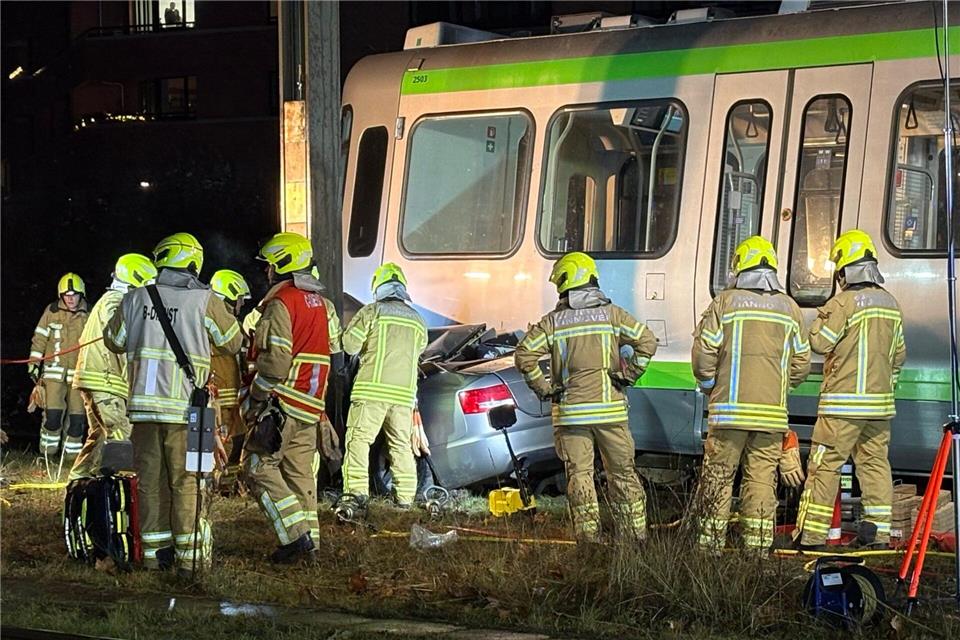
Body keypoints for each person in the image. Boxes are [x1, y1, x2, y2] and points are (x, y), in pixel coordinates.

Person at [104, 232, 242, 572]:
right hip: (188, 411)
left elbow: (113, 340)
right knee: (188, 482)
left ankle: (154, 557)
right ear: (193, 262)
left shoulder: (135, 299)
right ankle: (190, 560)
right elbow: (233, 342)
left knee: (149, 482)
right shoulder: (204, 299)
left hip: (143, 410)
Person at [515, 252, 658, 543]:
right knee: (622, 473)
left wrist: (543, 388)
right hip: (610, 413)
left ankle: (588, 538)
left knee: (579, 475)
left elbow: (524, 356)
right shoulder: (613, 315)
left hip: (571, 415)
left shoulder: (554, 322)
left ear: (566, 284)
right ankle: (634, 537)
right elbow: (647, 342)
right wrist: (630, 375)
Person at [691, 236, 810, 553]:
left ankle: (709, 549)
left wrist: (709, 385)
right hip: (771, 416)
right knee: (760, 480)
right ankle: (757, 550)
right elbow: (801, 362)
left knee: (718, 477)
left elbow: (704, 355)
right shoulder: (790, 308)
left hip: (728, 413)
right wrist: (780, 387)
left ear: (739, 267)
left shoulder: (725, 304)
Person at [795, 230, 906, 549]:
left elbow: (819, 342)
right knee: (874, 465)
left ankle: (813, 536)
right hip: (879, 408)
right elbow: (898, 355)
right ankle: (878, 534)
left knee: (825, 465)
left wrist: (818, 321)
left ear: (845, 269)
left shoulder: (843, 303)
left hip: (842, 408)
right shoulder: (891, 304)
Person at [241, 232, 342, 563]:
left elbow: (275, 363)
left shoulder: (282, 303)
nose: (267, 272)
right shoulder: (321, 304)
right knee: (300, 475)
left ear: (282, 265)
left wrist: (256, 398)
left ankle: (294, 538)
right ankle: (310, 546)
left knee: (257, 465)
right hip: (311, 407)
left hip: (282, 402)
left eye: (270, 265)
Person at [338, 263, 427, 514]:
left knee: (358, 442)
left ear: (378, 288)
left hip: (370, 392)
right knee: (400, 446)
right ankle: (405, 501)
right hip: (404, 397)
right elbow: (418, 351)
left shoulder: (372, 312)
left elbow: (350, 346)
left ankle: (356, 498)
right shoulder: (418, 321)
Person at [69, 254, 158, 481]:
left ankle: (78, 480)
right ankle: (121, 491)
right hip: (104, 381)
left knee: (99, 435)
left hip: (98, 379)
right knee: (121, 433)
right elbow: (122, 337)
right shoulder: (115, 302)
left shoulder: (112, 300)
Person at [30, 272, 90, 475]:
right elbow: (39, 339)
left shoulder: (89, 315)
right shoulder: (51, 312)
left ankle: (70, 460)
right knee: (53, 417)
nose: (70, 298)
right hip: (53, 375)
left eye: (74, 294)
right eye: (66, 294)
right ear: (60, 295)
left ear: (81, 294)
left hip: (78, 377)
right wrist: (33, 363)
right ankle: (47, 457)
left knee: (77, 419)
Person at [208, 269, 252, 490]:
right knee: (224, 447)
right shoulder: (218, 319)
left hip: (231, 399)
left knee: (237, 443)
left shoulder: (227, 320)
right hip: (220, 400)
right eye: (240, 299)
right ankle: (219, 489)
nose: (242, 304)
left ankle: (228, 489)